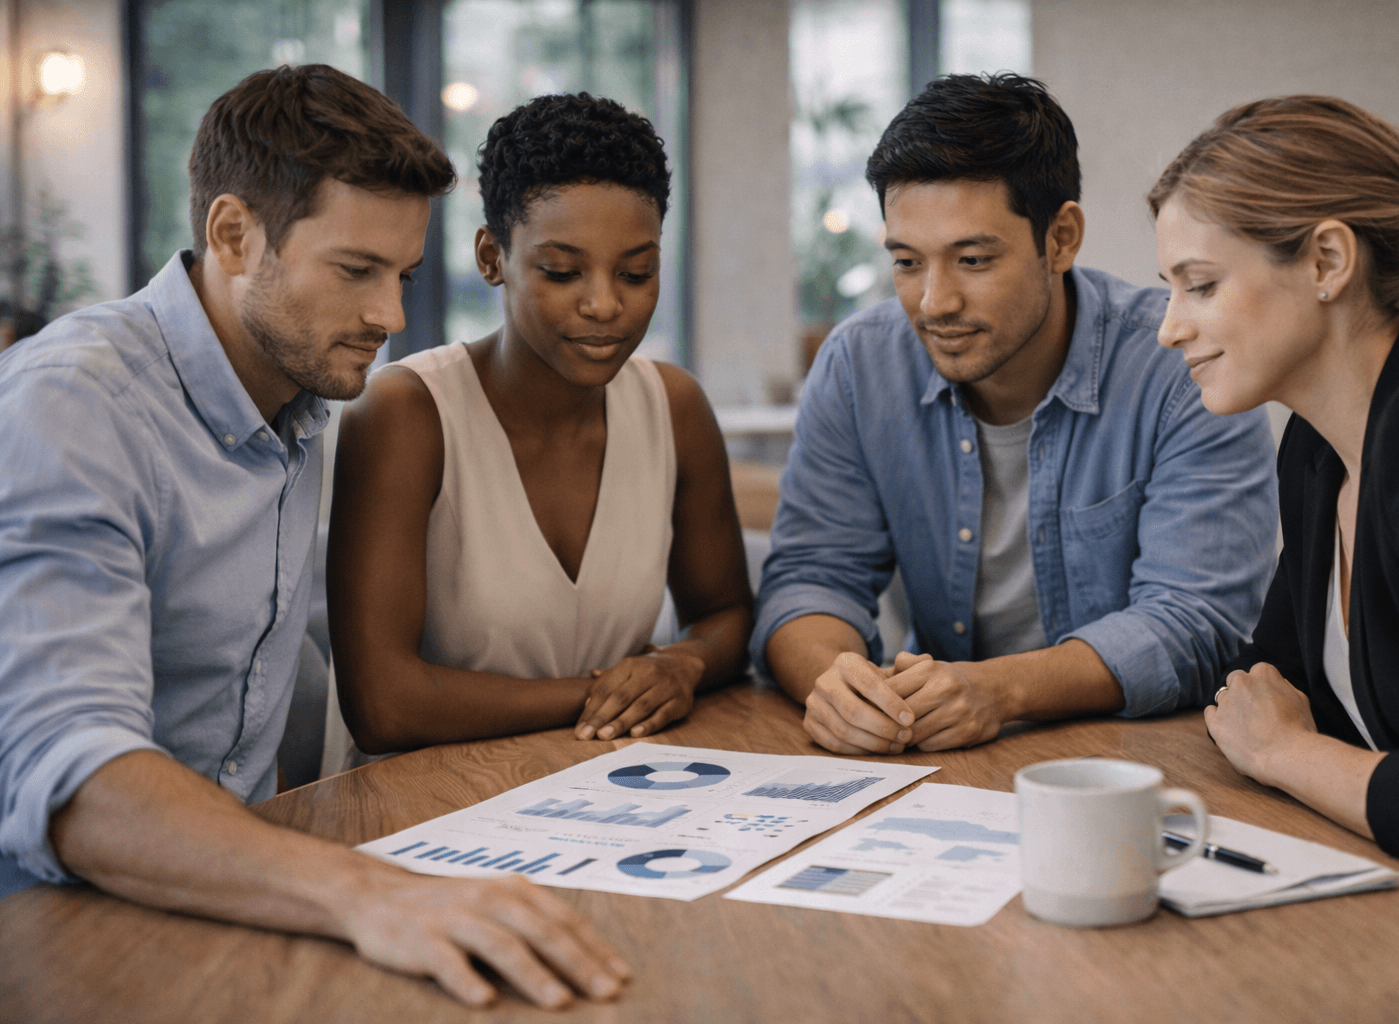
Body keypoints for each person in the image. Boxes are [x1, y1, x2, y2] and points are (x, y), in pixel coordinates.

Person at [0, 65, 629, 1010]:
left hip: (241, 900)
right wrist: (369, 894)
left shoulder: (295, 400)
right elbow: (72, 773)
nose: (391, 317)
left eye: (403, 276)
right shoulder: (71, 405)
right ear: (233, 235)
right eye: (355, 271)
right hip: (58, 926)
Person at [753, 73, 1279, 756]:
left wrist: (999, 691)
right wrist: (837, 686)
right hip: (943, 757)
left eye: (972, 260)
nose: (934, 302)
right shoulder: (860, 365)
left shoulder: (1181, 363)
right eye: (907, 262)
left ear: (1060, 238)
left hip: (1136, 762)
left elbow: (1197, 621)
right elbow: (811, 577)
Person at [1150, 95, 1399, 1019]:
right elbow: (1259, 684)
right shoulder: (1318, 448)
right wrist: (1278, 735)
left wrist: (1286, 751)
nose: (1170, 327)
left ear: (1327, 261)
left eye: (1200, 286)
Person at [328, 93, 752, 755]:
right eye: (562, 271)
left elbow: (726, 614)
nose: (605, 304)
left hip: (608, 782)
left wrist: (683, 664)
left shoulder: (674, 407)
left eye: (636, 272)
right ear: (491, 257)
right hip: (427, 792)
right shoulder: (406, 413)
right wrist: (605, 695)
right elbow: (383, 705)